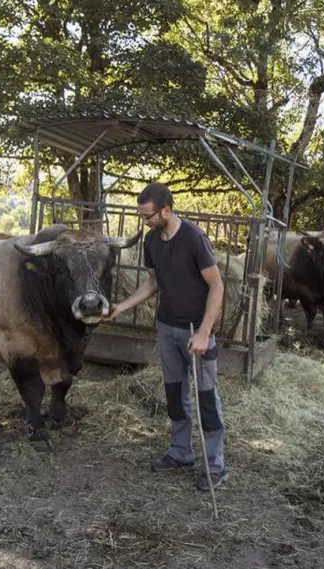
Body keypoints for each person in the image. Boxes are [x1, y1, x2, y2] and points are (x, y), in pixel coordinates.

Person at [105, 183, 228, 492]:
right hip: (168, 327)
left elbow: (217, 286)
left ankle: (215, 467)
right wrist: (121, 307)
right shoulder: (152, 241)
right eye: (142, 216)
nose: (145, 221)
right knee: (175, 394)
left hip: (195, 332)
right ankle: (181, 452)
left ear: (167, 211)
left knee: (206, 400)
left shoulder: (193, 239)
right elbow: (153, 284)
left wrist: (203, 331)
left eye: (148, 216)